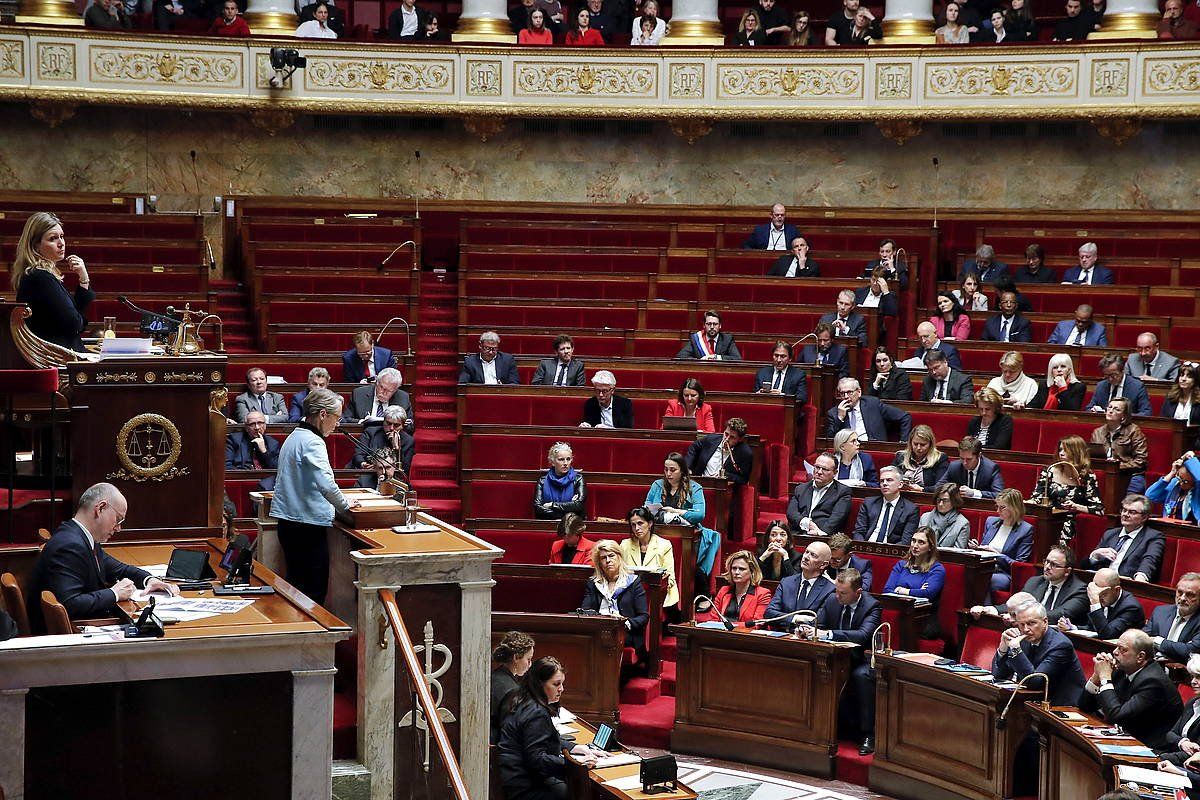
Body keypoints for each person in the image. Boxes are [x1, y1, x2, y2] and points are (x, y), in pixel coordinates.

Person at [31, 482, 179, 629]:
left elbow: (119, 569)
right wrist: (114, 593)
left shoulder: (80, 536)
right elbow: (69, 604)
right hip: (65, 636)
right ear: (100, 508)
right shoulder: (70, 545)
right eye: (118, 519)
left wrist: (149, 580)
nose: (119, 528)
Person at [270, 388, 358, 606]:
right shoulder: (312, 441)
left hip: (291, 524)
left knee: (297, 588)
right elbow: (326, 485)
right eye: (336, 417)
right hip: (306, 527)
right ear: (322, 414)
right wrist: (345, 504)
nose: (337, 424)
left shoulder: (295, 436)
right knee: (313, 593)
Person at [797, 569, 881, 755]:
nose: (837, 596)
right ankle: (815, 727)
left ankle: (868, 735)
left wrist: (827, 634)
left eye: (842, 593)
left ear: (858, 592)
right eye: (836, 591)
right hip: (835, 656)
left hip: (861, 658)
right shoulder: (832, 600)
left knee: (861, 676)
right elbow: (820, 623)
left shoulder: (872, 606)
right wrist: (806, 629)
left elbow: (863, 636)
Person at [1079, 629, 1184, 751]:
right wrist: (1096, 677)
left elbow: (1117, 717)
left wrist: (1105, 678)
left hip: (1153, 750)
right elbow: (1084, 706)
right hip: (1127, 738)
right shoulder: (1121, 670)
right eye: (1116, 647)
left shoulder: (1153, 681)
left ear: (1140, 656)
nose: (1114, 652)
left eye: (1122, 649)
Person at [497, 656, 579, 799]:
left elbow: (535, 739)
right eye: (556, 684)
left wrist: (573, 748)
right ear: (540, 684)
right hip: (524, 787)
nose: (561, 689)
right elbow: (536, 759)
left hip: (511, 777)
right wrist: (574, 765)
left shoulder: (519, 698)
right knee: (577, 791)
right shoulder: (536, 713)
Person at [10, 212, 94, 352]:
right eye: (53, 238)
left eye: (62, 236)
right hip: (59, 362)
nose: (61, 243)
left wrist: (83, 279)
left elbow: (75, 318)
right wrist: (79, 321)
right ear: (35, 245)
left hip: (63, 356)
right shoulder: (40, 278)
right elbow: (73, 324)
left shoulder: (44, 276)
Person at [992, 600, 1087, 704]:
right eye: (1021, 624)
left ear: (1045, 622)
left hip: (1062, 706)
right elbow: (998, 674)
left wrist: (1015, 649)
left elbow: (1035, 682)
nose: (1026, 629)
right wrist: (1003, 647)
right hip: (1034, 700)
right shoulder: (1023, 640)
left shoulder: (1060, 645)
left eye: (1031, 623)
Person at [645, 454, 720, 580]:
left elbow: (699, 515)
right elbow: (646, 508)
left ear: (682, 471)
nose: (668, 473)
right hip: (659, 533)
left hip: (686, 535)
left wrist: (675, 511)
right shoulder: (657, 485)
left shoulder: (695, 488)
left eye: (673, 470)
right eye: (666, 469)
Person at [973, 545, 1090, 626]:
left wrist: (1019, 617)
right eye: (1047, 561)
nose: (1047, 567)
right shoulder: (1035, 582)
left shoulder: (1079, 590)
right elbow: (1017, 605)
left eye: (1054, 564)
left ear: (1067, 571)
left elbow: (1059, 615)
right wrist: (990, 609)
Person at [1030, 435, 1105, 546]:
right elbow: (1037, 498)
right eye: (1060, 449)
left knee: (1066, 527)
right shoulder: (1049, 471)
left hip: (1070, 520)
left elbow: (1099, 509)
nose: (1061, 453)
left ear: (1076, 452)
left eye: (1066, 450)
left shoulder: (1087, 477)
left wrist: (1076, 507)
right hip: (1049, 517)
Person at [581, 540, 649, 651]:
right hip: (599, 630)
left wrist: (626, 623)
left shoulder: (633, 582)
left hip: (625, 633)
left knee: (607, 640)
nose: (608, 561)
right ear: (599, 563)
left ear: (619, 557)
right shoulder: (593, 584)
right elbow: (585, 611)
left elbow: (643, 616)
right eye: (603, 558)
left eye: (611, 556)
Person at [1083, 493, 1163, 582]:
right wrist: (1094, 556)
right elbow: (1087, 567)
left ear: (1144, 517)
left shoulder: (1153, 537)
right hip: (1099, 580)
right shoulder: (1110, 534)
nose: (1125, 514)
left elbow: (1150, 560)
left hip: (1125, 582)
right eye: (1124, 510)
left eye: (1132, 512)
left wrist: (1140, 578)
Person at [883, 527, 946, 636]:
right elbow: (887, 590)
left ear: (930, 547)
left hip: (922, 619)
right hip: (897, 614)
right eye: (913, 540)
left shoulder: (937, 569)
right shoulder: (901, 565)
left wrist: (902, 590)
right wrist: (917, 591)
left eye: (921, 542)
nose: (915, 546)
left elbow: (927, 594)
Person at [764, 541, 836, 630]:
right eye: (806, 552)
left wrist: (786, 621)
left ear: (823, 564)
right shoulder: (786, 582)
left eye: (813, 555)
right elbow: (769, 613)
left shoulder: (830, 590)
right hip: (782, 638)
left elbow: (819, 623)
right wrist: (795, 618)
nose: (806, 557)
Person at [975, 488, 1034, 594]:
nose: (998, 511)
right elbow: (984, 548)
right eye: (997, 507)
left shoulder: (1025, 530)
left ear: (1014, 508)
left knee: (984, 581)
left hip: (1004, 573)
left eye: (1002, 507)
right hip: (984, 569)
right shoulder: (991, 522)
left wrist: (998, 555)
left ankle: (984, 610)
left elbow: (1020, 564)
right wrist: (977, 548)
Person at [1061, 568, 1146, 639]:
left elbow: (1106, 635)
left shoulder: (1131, 608)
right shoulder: (1104, 599)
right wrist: (1073, 628)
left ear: (1117, 590)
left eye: (1103, 593)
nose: (1098, 596)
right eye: (1096, 591)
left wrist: (1095, 603)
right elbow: (1094, 628)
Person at [621, 507, 679, 608]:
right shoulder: (625, 545)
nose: (637, 528)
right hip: (631, 592)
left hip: (657, 592)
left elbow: (670, 578)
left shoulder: (664, 544)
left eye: (640, 523)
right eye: (633, 525)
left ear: (650, 523)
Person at [696, 550, 771, 625]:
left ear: (752, 572)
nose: (737, 572)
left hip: (746, 635)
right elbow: (713, 619)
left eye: (742, 569)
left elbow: (757, 623)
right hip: (722, 634)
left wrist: (731, 626)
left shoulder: (762, 594)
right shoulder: (723, 591)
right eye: (734, 568)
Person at [1090, 398, 1149, 494]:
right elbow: (1093, 459)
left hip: (1130, 476)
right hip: (1103, 475)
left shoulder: (1134, 431)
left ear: (1124, 416)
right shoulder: (1097, 432)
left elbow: (1141, 461)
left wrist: (1116, 467)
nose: (1111, 411)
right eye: (1109, 407)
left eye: (1116, 409)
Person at [827, 377, 912, 442]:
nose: (845, 397)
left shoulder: (873, 404)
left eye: (849, 392)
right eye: (842, 393)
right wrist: (840, 418)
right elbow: (830, 441)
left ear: (859, 392)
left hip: (873, 448)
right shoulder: (834, 413)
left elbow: (905, 417)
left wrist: (903, 442)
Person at [787, 451, 852, 535]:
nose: (819, 472)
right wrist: (807, 524)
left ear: (835, 473)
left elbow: (837, 519)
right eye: (817, 467)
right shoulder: (801, 489)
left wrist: (819, 533)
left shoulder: (843, 492)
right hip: (798, 534)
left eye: (825, 469)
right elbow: (791, 513)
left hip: (824, 537)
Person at [853, 466, 920, 545]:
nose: (884, 483)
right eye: (882, 481)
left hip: (891, 551)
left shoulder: (911, 509)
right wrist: (862, 547)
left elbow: (906, 540)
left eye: (889, 480)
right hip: (867, 546)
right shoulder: (868, 503)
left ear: (900, 484)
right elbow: (859, 532)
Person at [350, 406, 414, 488]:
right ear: (383, 422)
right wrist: (363, 463)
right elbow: (358, 454)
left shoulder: (408, 441)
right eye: (388, 423)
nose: (391, 428)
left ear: (402, 426)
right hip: (369, 476)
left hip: (394, 480)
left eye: (396, 425)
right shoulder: (371, 433)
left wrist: (397, 448)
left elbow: (404, 469)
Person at [1144, 572, 1200, 664]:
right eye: (1180, 592)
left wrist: (1158, 641)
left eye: (1190, 595)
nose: (1182, 598)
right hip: (1152, 666)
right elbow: (1144, 638)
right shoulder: (1161, 612)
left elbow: (1190, 651)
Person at [491, 631, 535, 743]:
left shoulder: (495, 675)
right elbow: (513, 731)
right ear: (516, 657)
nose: (530, 664)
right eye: (528, 659)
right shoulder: (512, 690)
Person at [686, 418, 753, 485]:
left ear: (740, 439)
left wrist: (726, 475)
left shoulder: (745, 453)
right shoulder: (711, 439)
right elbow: (693, 447)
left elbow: (743, 480)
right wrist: (687, 467)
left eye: (732, 437)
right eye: (726, 434)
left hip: (722, 490)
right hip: (699, 484)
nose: (726, 439)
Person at [226, 410, 280, 491]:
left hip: (266, 485)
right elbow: (226, 467)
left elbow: (275, 469)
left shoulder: (273, 443)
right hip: (242, 483)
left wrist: (264, 451)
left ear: (265, 426)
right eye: (252, 424)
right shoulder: (234, 440)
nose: (257, 427)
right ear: (246, 428)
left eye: (260, 423)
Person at [533, 442, 586, 521]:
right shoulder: (543, 481)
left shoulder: (578, 479)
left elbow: (578, 505)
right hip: (548, 523)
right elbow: (538, 508)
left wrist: (552, 505)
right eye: (561, 459)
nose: (565, 463)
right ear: (553, 462)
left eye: (568, 459)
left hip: (571, 526)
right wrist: (565, 512)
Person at [1147, 451, 1200, 523]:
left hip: (1190, 531)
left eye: (1185, 482)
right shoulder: (1175, 483)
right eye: (1179, 477)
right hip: (1169, 527)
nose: (1181, 483)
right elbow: (1150, 496)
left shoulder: (1198, 491)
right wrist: (1172, 473)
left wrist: (1192, 459)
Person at [345, 367, 413, 424]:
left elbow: (410, 426)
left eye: (388, 391)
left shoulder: (403, 398)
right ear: (376, 382)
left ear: (395, 390)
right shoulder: (359, 394)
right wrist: (362, 422)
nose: (382, 392)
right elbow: (345, 419)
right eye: (381, 387)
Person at [892, 425, 949, 492]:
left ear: (930, 444)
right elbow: (889, 477)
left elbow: (942, 486)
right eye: (915, 444)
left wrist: (922, 489)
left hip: (925, 498)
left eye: (923, 445)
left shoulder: (939, 459)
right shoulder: (901, 456)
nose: (918, 448)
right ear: (910, 443)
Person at [946, 436, 1005, 500]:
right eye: (962, 458)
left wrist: (974, 493)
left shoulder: (991, 469)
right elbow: (939, 487)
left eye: (969, 459)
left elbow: (999, 495)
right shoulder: (954, 466)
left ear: (979, 455)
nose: (964, 463)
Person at [920, 482, 971, 548]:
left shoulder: (962, 523)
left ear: (954, 501)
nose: (940, 504)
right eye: (939, 500)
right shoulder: (925, 518)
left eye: (945, 500)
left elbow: (958, 553)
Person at [677, 310, 741, 361]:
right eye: (709, 324)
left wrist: (717, 357)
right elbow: (680, 357)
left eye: (715, 324)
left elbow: (737, 359)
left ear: (720, 325)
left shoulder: (727, 339)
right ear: (704, 325)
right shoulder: (696, 339)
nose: (712, 327)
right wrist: (700, 360)